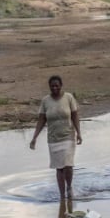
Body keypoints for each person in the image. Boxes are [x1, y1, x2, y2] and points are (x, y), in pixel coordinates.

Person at [29, 75, 82, 203]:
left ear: (61, 86)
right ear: (49, 87)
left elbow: (75, 116)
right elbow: (41, 120)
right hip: (54, 139)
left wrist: (79, 133)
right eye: (52, 86)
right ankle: (62, 195)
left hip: (68, 136)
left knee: (68, 165)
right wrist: (34, 137)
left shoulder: (68, 98)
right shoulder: (45, 101)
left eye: (57, 85)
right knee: (59, 167)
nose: (54, 88)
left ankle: (69, 187)